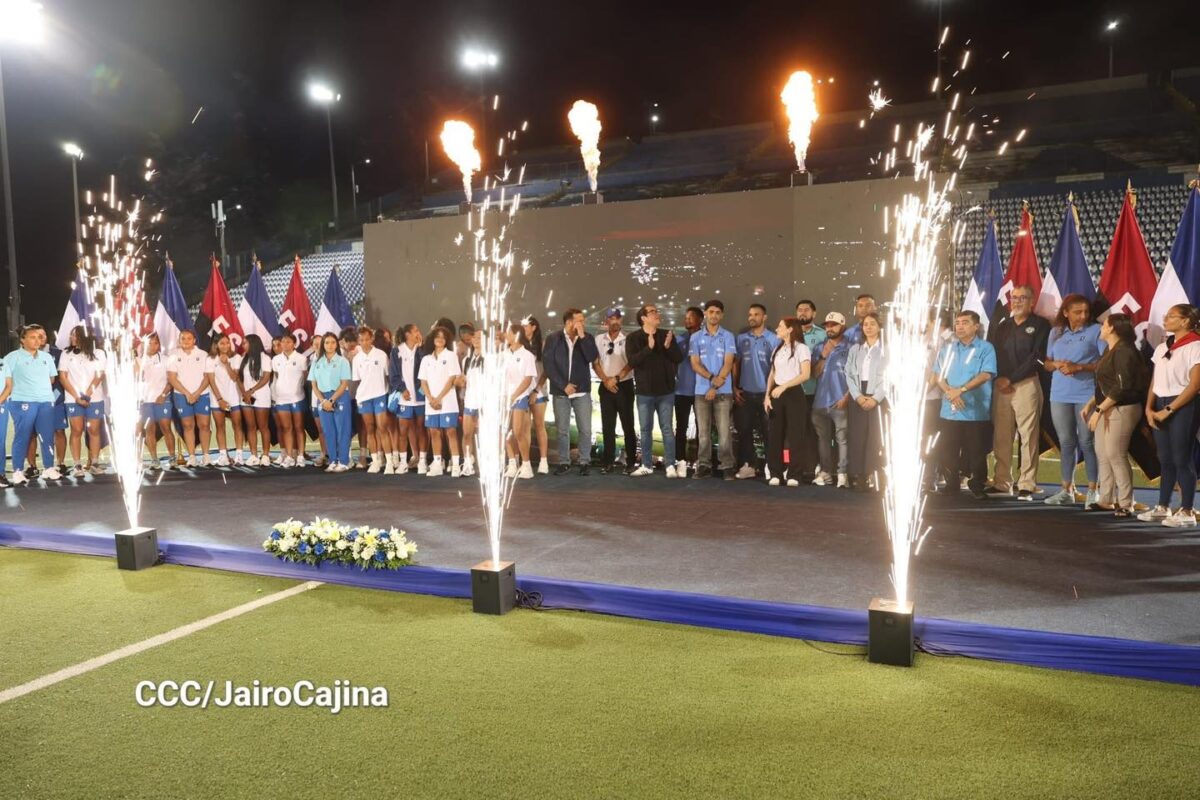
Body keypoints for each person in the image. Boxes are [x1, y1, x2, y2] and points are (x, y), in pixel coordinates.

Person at [987, 284, 1051, 500]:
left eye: (1022, 298)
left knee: (1028, 436)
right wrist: (1000, 378)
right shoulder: (1003, 326)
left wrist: (1011, 379)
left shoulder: (1041, 325)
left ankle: (1027, 484)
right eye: (1014, 297)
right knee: (1002, 436)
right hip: (1001, 386)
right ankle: (1002, 482)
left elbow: (1037, 358)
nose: (1017, 301)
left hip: (1026, 384)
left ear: (1032, 301)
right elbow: (993, 354)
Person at [1139, 304, 1200, 527]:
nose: (1165, 319)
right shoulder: (1162, 347)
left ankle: (1187, 510)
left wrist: (1169, 409)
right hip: (1160, 404)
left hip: (1184, 405)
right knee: (1165, 459)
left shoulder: (1196, 346)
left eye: (1171, 316)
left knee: (1182, 458)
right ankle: (1163, 506)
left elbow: (1195, 385)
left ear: (1185, 321)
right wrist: (1149, 408)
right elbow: (1155, 381)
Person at [1083, 314, 1147, 519]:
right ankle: (1106, 499)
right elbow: (1106, 383)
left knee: (1115, 453)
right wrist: (1091, 404)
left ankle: (1126, 502)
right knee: (1102, 453)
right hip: (1108, 407)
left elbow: (1122, 387)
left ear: (1112, 328)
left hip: (1123, 408)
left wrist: (1099, 410)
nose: (1101, 327)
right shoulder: (1111, 349)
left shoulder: (1124, 351)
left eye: (1104, 324)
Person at [1043, 295, 1104, 507]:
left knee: (1087, 441)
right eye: (1078, 312)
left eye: (1086, 311)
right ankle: (1066, 490)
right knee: (1066, 442)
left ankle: (1093, 491)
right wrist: (1056, 364)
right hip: (1059, 394)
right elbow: (1047, 363)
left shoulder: (1096, 331)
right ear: (1066, 312)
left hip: (1086, 395)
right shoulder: (1056, 332)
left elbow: (1105, 362)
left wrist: (1079, 367)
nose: (1083, 316)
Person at [933, 310, 997, 500]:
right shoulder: (947, 349)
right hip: (950, 409)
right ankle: (951, 483)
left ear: (976, 326)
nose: (960, 326)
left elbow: (986, 374)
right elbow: (938, 376)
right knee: (948, 448)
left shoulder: (986, 348)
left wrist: (960, 390)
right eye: (958, 322)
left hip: (975, 410)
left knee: (976, 450)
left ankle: (977, 484)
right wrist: (950, 393)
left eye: (965, 322)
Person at [625, 303, 684, 478]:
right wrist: (648, 348)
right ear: (643, 318)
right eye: (652, 312)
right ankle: (646, 465)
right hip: (644, 392)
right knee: (645, 429)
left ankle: (670, 465)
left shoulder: (666, 335)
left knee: (667, 428)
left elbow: (678, 358)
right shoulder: (633, 338)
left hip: (666, 391)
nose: (657, 314)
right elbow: (632, 361)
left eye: (657, 311)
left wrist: (668, 346)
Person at [4, 324, 64, 485]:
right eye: (32, 337)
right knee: (23, 435)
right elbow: (5, 380)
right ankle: (17, 471)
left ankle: (49, 468)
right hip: (22, 401)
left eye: (39, 337)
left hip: (45, 401)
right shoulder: (12, 357)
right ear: (22, 340)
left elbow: (52, 379)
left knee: (47, 436)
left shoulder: (46, 357)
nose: (37, 340)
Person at [543, 307, 600, 475]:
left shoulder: (587, 338)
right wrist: (563, 385)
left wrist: (582, 337)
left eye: (583, 320)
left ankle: (584, 462)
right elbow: (548, 365)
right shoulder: (553, 338)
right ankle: (564, 462)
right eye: (579, 320)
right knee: (562, 429)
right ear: (569, 322)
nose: (583, 323)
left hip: (582, 392)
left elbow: (592, 357)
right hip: (561, 392)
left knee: (585, 429)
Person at [690, 299, 738, 480]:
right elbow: (695, 364)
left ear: (722, 315)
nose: (714, 315)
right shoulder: (695, 337)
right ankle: (704, 465)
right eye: (711, 312)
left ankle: (727, 466)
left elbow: (728, 363)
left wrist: (716, 386)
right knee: (703, 433)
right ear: (705, 313)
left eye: (718, 312)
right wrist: (711, 379)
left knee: (724, 432)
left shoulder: (728, 336)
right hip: (701, 391)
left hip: (723, 391)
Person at [733, 303, 781, 479]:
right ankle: (748, 466)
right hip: (745, 393)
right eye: (750, 314)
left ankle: (772, 468)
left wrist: (771, 393)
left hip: (766, 395)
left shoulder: (774, 339)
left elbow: (777, 368)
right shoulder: (741, 339)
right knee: (744, 431)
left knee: (769, 433)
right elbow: (735, 364)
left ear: (764, 317)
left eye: (756, 314)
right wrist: (734, 387)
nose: (752, 317)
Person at [763, 318, 813, 487]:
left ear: (790, 329)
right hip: (776, 393)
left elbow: (805, 374)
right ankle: (775, 473)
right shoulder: (777, 349)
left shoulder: (801, 348)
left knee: (796, 435)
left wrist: (784, 386)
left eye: (780, 326)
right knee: (775, 434)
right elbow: (772, 373)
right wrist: (767, 396)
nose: (777, 329)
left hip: (794, 393)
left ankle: (794, 474)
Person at [843, 311, 887, 491]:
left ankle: (875, 475)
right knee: (857, 436)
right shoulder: (856, 349)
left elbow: (890, 376)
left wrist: (875, 398)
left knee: (876, 438)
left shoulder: (887, 349)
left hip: (879, 397)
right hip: (858, 396)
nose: (868, 327)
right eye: (865, 324)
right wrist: (858, 396)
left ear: (879, 327)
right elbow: (848, 373)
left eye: (872, 324)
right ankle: (859, 476)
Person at [58, 325, 108, 475]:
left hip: (94, 398)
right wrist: (77, 397)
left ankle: (94, 463)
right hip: (73, 399)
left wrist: (87, 395)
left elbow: (99, 375)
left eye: (75, 335)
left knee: (94, 430)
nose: (72, 338)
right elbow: (63, 377)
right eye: (71, 335)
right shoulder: (66, 353)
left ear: (85, 336)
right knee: (76, 430)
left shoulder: (99, 353)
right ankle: (77, 465)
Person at [594, 307, 636, 474]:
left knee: (628, 426)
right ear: (606, 321)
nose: (615, 321)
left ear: (621, 320)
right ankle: (608, 462)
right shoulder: (599, 339)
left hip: (624, 385)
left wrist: (616, 379)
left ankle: (631, 462)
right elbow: (595, 363)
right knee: (607, 427)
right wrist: (606, 380)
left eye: (618, 318)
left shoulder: (628, 339)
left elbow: (631, 363)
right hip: (605, 386)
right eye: (612, 318)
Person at [811, 311, 851, 488]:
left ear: (842, 326)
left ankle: (843, 474)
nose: (829, 328)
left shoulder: (851, 347)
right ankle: (826, 472)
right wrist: (823, 356)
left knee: (842, 439)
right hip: (820, 401)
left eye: (833, 325)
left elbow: (855, 376)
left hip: (841, 401)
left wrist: (847, 397)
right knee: (823, 439)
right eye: (827, 325)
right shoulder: (819, 347)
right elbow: (814, 374)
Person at [418, 326, 463, 476]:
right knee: (434, 431)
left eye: (443, 337)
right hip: (431, 403)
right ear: (433, 339)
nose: (440, 339)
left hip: (448, 402)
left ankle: (455, 465)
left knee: (450, 431)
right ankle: (437, 464)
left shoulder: (451, 356)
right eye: (437, 336)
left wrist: (438, 398)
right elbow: (423, 382)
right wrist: (430, 398)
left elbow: (452, 379)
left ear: (447, 340)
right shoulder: (426, 359)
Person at [166, 329, 213, 468]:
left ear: (194, 340)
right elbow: (172, 378)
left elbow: (207, 377)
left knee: (204, 425)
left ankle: (206, 456)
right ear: (179, 341)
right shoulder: (173, 356)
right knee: (187, 426)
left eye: (189, 338)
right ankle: (192, 456)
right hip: (182, 395)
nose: (186, 341)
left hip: (202, 395)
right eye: (183, 338)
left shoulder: (203, 355)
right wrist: (187, 393)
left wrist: (197, 393)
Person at [310, 332, 353, 472]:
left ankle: (344, 461)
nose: (330, 345)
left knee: (342, 429)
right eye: (327, 342)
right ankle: (333, 460)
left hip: (339, 396)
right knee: (328, 430)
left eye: (333, 342)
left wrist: (332, 400)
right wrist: (323, 401)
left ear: (337, 344)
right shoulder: (317, 362)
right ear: (323, 344)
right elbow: (313, 384)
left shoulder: (342, 361)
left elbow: (344, 383)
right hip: (322, 399)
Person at [794, 300, 827, 480]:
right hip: (793, 391)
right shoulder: (791, 334)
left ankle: (811, 468)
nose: (803, 313)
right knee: (796, 432)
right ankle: (795, 469)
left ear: (814, 313)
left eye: (806, 310)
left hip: (815, 391)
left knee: (813, 432)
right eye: (800, 310)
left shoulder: (822, 335)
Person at [502, 323, 539, 479]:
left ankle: (526, 465)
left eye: (508, 333)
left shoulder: (527, 355)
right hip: (503, 397)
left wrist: (514, 395)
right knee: (505, 432)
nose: (506, 335)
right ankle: (512, 463)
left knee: (518, 431)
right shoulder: (503, 354)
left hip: (519, 397)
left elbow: (528, 378)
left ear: (516, 335)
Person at [390, 324, 427, 474]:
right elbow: (393, 374)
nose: (419, 333)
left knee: (421, 429)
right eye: (415, 331)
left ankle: (422, 461)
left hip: (420, 397)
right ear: (407, 334)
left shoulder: (422, 350)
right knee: (403, 430)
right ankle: (403, 462)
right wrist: (402, 389)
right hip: (405, 398)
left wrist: (421, 349)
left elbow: (426, 369)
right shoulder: (397, 351)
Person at [205, 333, 245, 466]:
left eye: (227, 343)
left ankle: (239, 456)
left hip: (234, 397)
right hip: (217, 399)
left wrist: (227, 364)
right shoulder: (210, 359)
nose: (225, 346)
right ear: (216, 345)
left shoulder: (236, 357)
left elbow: (235, 377)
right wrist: (220, 399)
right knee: (220, 426)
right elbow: (211, 381)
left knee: (237, 425)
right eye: (222, 343)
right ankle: (223, 456)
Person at [137, 333, 176, 470]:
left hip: (162, 398)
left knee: (166, 427)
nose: (152, 346)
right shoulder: (138, 360)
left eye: (155, 343)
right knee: (149, 430)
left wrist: (163, 394)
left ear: (159, 345)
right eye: (149, 343)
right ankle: (154, 459)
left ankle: (172, 457)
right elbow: (135, 380)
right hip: (145, 401)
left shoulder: (166, 359)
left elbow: (172, 380)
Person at [273, 332, 310, 468]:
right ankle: (289, 456)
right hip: (281, 399)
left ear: (294, 344)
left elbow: (305, 377)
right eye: (283, 342)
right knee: (286, 428)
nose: (285, 344)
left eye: (288, 342)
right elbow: (277, 376)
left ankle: (300, 456)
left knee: (299, 427)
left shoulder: (301, 358)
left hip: (297, 398)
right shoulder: (276, 359)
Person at [673, 306, 703, 475]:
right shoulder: (679, 339)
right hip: (681, 390)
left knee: (702, 429)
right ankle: (681, 461)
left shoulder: (705, 338)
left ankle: (701, 461)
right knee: (681, 428)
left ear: (700, 320)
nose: (687, 320)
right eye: (686, 317)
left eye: (691, 317)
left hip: (701, 390)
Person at [237, 334, 273, 466]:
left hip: (261, 397)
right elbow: (239, 378)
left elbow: (266, 377)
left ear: (253, 343)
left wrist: (251, 391)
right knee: (250, 427)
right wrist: (245, 393)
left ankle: (265, 455)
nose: (243, 345)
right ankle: (253, 455)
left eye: (245, 343)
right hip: (246, 399)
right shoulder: (243, 358)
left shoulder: (265, 358)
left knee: (263, 426)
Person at [521, 316, 550, 474]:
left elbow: (546, 371)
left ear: (534, 327)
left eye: (526, 325)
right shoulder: (520, 346)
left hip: (538, 390)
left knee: (539, 425)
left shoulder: (542, 345)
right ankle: (525, 462)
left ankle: (543, 461)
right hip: (523, 392)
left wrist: (536, 390)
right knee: (524, 427)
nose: (523, 328)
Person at [460, 330, 483, 477]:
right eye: (475, 337)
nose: (476, 339)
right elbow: (464, 381)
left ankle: (486, 465)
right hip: (469, 401)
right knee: (467, 434)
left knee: (483, 436)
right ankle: (468, 463)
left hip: (484, 403)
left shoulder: (491, 359)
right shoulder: (466, 360)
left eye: (480, 337)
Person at [0, 355, 9, 486]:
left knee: (0, 440)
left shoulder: (3, 363)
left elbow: (9, 385)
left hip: (2, 405)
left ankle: (0, 473)